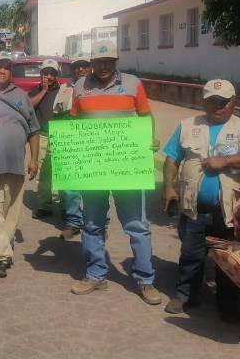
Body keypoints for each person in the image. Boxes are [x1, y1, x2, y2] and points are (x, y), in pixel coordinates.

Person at [162, 79, 240, 323]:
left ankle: (227, 304)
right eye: (211, 101)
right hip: (193, 207)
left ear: (233, 102)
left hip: (230, 210)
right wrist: (168, 187)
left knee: (229, 258)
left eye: (222, 102)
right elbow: (171, 158)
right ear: (204, 102)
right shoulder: (187, 125)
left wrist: (226, 162)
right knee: (190, 254)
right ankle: (185, 294)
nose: (217, 107)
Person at [69, 40, 162, 305]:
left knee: (137, 226)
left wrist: (150, 139)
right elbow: (74, 122)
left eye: (108, 62)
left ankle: (145, 280)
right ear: (91, 64)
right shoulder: (80, 86)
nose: (103, 67)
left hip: (127, 167)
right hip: (93, 167)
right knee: (92, 223)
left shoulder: (133, 84)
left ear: (115, 62)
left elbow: (145, 116)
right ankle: (95, 274)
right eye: (98, 63)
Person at [0, 52, 41, 278]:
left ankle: (1, 247)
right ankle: (0, 256)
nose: (3, 71)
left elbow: (34, 129)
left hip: (16, 163)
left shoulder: (21, 95)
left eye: (7, 68)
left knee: (11, 210)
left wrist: (33, 159)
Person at [28, 58, 84, 239]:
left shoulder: (64, 90)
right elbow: (29, 107)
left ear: (57, 75)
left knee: (62, 172)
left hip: (62, 136)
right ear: (41, 75)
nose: (49, 77)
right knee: (44, 173)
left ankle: (64, 206)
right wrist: (43, 90)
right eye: (46, 73)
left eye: (52, 73)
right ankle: (45, 205)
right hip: (42, 135)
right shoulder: (35, 91)